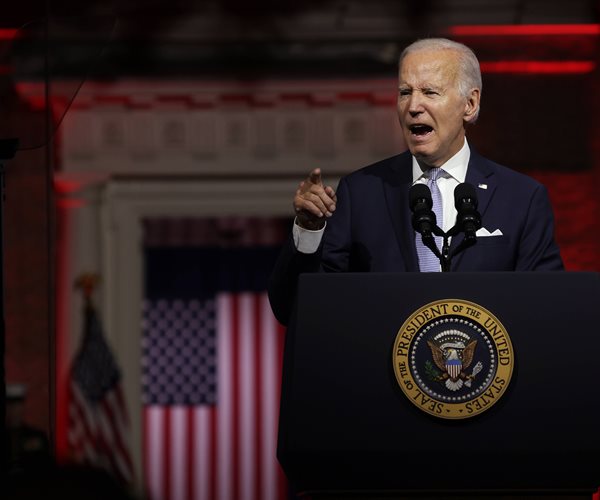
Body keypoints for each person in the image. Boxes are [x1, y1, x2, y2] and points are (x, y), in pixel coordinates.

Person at [268, 38, 563, 325]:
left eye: (430, 92)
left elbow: (548, 309)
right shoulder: (361, 193)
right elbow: (295, 307)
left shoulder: (521, 198)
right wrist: (308, 231)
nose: (413, 106)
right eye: (405, 92)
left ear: (470, 104)